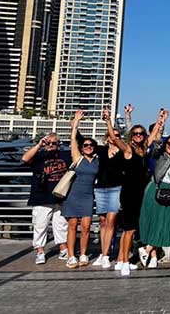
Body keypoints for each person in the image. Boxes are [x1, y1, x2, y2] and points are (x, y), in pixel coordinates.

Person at [103, 110, 148, 276]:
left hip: (139, 193)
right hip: (129, 193)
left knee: (129, 229)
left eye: (141, 133)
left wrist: (161, 121)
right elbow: (114, 139)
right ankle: (125, 263)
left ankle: (122, 260)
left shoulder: (143, 149)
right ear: (131, 135)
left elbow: (155, 134)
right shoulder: (128, 150)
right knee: (129, 229)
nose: (138, 135)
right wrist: (108, 121)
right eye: (135, 133)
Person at [139, 109, 170, 268]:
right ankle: (150, 253)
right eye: (169, 144)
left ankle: (149, 252)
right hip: (156, 190)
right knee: (156, 222)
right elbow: (157, 142)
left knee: (163, 223)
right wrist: (160, 123)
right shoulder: (159, 155)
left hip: (169, 192)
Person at [22, 132, 70, 264]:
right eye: (48, 143)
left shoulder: (65, 155)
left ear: (58, 144)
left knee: (61, 225)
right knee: (40, 225)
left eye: (53, 143)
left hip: (60, 196)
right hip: (41, 197)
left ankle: (63, 249)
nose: (50, 145)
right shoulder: (38, 156)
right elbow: (25, 159)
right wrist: (39, 144)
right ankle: (40, 251)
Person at [62, 110, 99, 268]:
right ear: (82, 148)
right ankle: (71, 255)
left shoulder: (98, 161)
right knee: (72, 226)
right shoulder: (78, 158)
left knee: (86, 227)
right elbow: (73, 139)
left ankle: (83, 254)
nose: (89, 147)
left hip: (87, 197)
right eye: (86, 145)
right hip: (73, 196)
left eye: (91, 145)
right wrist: (76, 122)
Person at [92, 114, 125, 269]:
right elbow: (80, 143)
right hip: (100, 189)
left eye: (117, 135)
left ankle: (105, 255)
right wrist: (76, 124)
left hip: (115, 189)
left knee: (111, 221)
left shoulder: (123, 152)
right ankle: (102, 253)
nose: (114, 137)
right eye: (112, 135)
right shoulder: (102, 150)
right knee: (103, 221)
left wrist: (108, 123)